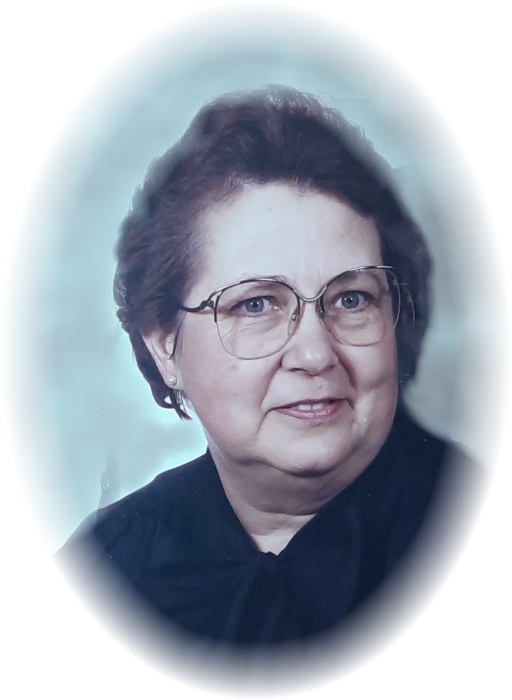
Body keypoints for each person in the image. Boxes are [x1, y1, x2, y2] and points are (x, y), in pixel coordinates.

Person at [51, 86, 492, 697]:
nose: (315, 354)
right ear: (164, 347)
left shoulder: (461, 532)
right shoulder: (97, 573)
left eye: (351, 298)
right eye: (255, 304)